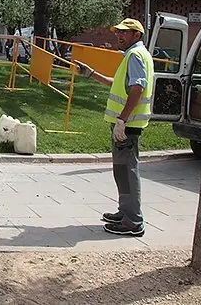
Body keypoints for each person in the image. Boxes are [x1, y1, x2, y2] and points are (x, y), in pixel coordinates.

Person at [75, 18, 154, 237]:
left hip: (127, 125)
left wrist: (122, 119)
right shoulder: (132, 55)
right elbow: (118, 84)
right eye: (118, 32)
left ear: (136, 35)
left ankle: (133, 222)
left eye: (124, 33)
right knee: (121, 171)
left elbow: (137, 89)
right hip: (126, 124)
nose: (119, 35)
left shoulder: (135, 55)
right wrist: (91, 74)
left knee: (127, 171)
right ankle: (125, 213)